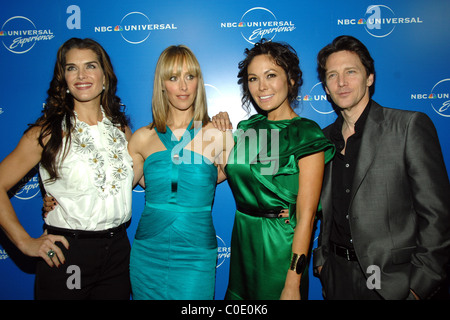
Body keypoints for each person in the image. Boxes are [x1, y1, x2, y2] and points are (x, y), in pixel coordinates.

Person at [313, 35, 450, 300]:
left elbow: (438, 216)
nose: (341, 82)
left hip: (392, 282)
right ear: (326, 88)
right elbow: (325, 212)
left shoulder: (407, 127)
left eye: (350, 72)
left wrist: (418, 287)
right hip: (337, 277)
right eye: (332, 75)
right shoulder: (323, 138)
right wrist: (322, 262)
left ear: (369, 78)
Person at [0, 38, 133, 299]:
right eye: (72, 68)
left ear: (105, 75)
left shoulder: (121, 131)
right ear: (64, 79)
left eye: (90, 66)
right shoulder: (47, 133)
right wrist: (25, 242)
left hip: (118, 251)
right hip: (68, 252)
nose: (81, 75)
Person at [214, 40, 335, 300]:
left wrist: (293, 281)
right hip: (244, 241)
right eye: (253, 78)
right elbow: (215, 175)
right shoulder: (247, 128)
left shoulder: (306, 133)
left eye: (271, 76)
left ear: (290, 80)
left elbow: (307, 216)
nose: (262, 87)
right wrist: (216, 133)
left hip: (281, 247)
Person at [127, 45, 233, 300]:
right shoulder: (142, 138)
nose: (183, 86)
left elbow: (245, 183)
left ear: (199, 81)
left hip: (196, 252)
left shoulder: (219, 135)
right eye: (173, 78)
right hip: (148, 251)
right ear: (162, 85)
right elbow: (114, 191)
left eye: (190, 76)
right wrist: (60, 201)